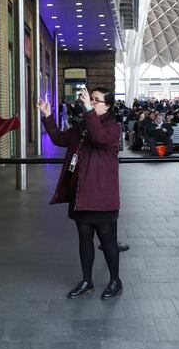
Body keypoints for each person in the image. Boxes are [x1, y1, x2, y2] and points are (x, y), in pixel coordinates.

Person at [37, 87, 123, 300]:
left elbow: (100, 138)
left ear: (108, 105)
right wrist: (47, 116)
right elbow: (58, 138)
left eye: (96, 100)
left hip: (103, 197)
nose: (92, 103)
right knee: (84, 239)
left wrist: (88, 111)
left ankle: (115, 280)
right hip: (81, 195)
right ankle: (87, 280)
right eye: (90, 99)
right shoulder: (82, 126)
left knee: (108, 241)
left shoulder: (112, 128)